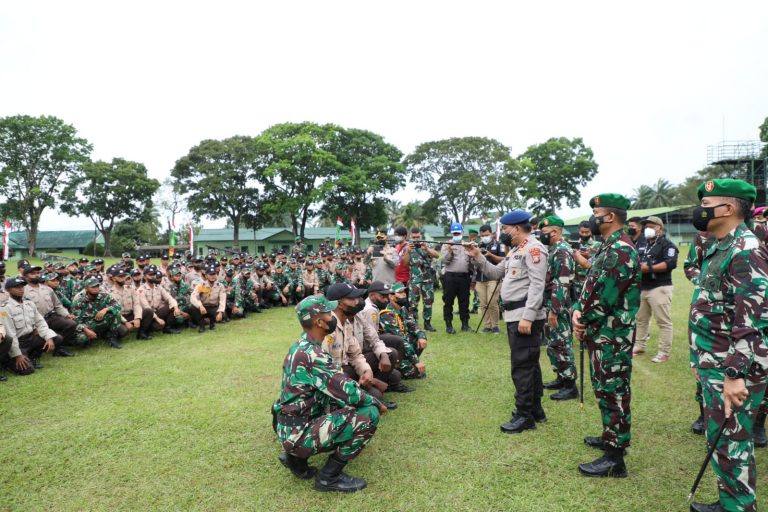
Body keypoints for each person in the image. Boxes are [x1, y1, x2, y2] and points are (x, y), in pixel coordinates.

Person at [687, 179, 768, 512]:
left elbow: (753, 320)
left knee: (732, 442)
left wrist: (735, 374)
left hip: (732, 367)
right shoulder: (721, 245)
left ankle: (738, 507)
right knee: (724, 441)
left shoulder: (746, 249)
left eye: (707, 202)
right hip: (714, 361)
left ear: (729, 208)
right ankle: (731, 501)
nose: (701, 208)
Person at [272, 295, 386, 492]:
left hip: (290, 426)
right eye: (328, 313)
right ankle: (328, 477)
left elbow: (336, 387)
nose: (333, 316)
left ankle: (296, 460)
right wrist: (376, 403)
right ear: (319, 322)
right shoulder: (313, 355)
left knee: (339, 403)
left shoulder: (300, 346)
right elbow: (351, 393)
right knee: (369, 414)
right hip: (298, 433)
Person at [572, 193, 640, 478]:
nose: (593, 217)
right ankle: (609, 434)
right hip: (602, 332)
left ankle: (615, 457)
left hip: (612, 334)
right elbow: (592, 285)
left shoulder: (620, 250)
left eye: (597, 212)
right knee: (604, 387)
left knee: (614, 390)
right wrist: (578, 310)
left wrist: (583, 318)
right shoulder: (608, 246)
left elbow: (605, 297)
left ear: (610, 217)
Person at [466, 210, 547, 434]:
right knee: (530, 365)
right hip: (514, 315)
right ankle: (536, 410)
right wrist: (477, 255)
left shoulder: (534, 249)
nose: (503, 233)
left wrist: (528, 317)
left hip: (523, 316)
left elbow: (537, 285)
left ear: (517, 229)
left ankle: (524, 415)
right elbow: (494, 273)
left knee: (521, 366)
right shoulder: (516, 250)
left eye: (506, 229)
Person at [324, 283, 397, 410]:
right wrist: (372, 381)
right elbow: (325, 369)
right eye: (352, 299)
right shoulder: (328, 327)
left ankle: (364, 388)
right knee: (375, 399)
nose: (358, 301)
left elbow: (356, 354)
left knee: (391, 361)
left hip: (346, 370)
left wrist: (366, 371)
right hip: (332, 377)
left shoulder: (345, 322)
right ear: (340, 303)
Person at [538, 216, 578, 400]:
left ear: (554, 232)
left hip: (559, 304)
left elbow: (562, 283)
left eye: (544, 233)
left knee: (562, 343)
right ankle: (561, 378)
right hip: (551, 301)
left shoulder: (562, 251)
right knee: (553, 343)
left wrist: (554, 310)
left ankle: (570, 385)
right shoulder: (553, 249)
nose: (541, 236)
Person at [632, 215, 678, 363]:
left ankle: (664, 352)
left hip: (660, 287)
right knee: (640, 319)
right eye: (646, 226)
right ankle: (639, 345)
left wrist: (649, 268)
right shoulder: (641, 243)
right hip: (642, 287)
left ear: (659, 227)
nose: (647, 229)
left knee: (663, 321)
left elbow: (670, 263)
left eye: (651, 226)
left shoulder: (667, 245)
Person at [1, 276, 61, 375]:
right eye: (17, 287)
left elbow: (40, 322)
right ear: (8, 290)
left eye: (22, 286)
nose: (21, 289)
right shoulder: (4, 309)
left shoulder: (29, 304)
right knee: (27, 370)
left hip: (30, 339)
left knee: (56, 338)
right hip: (17, 343)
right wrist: (17, 355)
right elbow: (10, 334)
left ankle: (31, 357)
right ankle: (8, 361)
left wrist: (48, 337)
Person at [378, 283, 427, 380]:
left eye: (404, 292)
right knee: (414, 373)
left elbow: (413, 325)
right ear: (391, 296)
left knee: (420, 336)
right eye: (400, 292)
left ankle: (407, 362)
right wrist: (416, 361)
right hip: (392, 349)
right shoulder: (387, 313)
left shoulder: (403, 309)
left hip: (403, 345)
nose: (404, 294)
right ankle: (399, 365)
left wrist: (421, 336)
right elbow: (400, 340)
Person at [71, 277, 126, 349]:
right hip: (88, 325)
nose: (96, 288)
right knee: (81, 339)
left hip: (102, 322)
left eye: (97, 286)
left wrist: (106, 309)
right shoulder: (79, 302)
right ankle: (88, 341)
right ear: (86, 288)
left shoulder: (104, 296)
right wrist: (85, 329)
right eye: (93, 287)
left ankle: (112, 338)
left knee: (116, 314)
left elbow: (118, 306)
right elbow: (75, 321)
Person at [402, 227, 439, 331]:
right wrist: (408, 252)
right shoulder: (407, 247)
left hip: (427, 280)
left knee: (428, 302)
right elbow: (404, 263)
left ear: (421, 236)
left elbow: (437, 255)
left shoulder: (426, 245)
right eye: (414, 237)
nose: (416, 239)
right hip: (414, 281)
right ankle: (414, 324)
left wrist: (427, 249)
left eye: (418, 237)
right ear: (410, 237)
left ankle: (427, 323)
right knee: (413, 303)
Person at [441, 222, 472, 333]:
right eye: (454, 233)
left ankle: (465, 324)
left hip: (464, 277)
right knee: (448, 301)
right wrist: (450, 250)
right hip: (450, 277)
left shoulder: (467, 245)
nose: (456, 235)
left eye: (458, 233)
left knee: (464, 301)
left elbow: (471, 261)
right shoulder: (446, 244)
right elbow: (445, 260)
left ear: (462, 232)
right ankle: (449, 325)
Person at [476, 224, 506, 334]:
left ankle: (495, 326)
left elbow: (503, 260)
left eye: (487, 235)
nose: (485, 237)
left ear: (492, 234)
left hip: (493, 277)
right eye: (482, 235)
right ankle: (487, 325)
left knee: (492, 302)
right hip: (480, 278)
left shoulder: (499, 245)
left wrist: (490, 255)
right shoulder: (478, 245)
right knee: (483, 303)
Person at [189, 266, 226, 332]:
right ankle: (201, 325)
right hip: (203, 307)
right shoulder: (201, 285)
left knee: (223, 314)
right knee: (192, 308)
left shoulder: (220, 286)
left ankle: (212, 323)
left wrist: (220, 312)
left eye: (214, 274)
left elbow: (222, 300)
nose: (213, 276)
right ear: (206, 276)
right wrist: (200, 306)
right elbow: (193, 297)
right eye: (210, 274)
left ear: (217, 275)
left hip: (213, 307)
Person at [572, 220, 602, 295]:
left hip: (590, 282)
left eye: (587, 232)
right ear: (578, 231)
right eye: (582, 232)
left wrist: (589, 257)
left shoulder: (598, 245)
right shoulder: (574, 246)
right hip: (576, 282)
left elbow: (600, 263)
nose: (584, 234)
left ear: (591, 232)